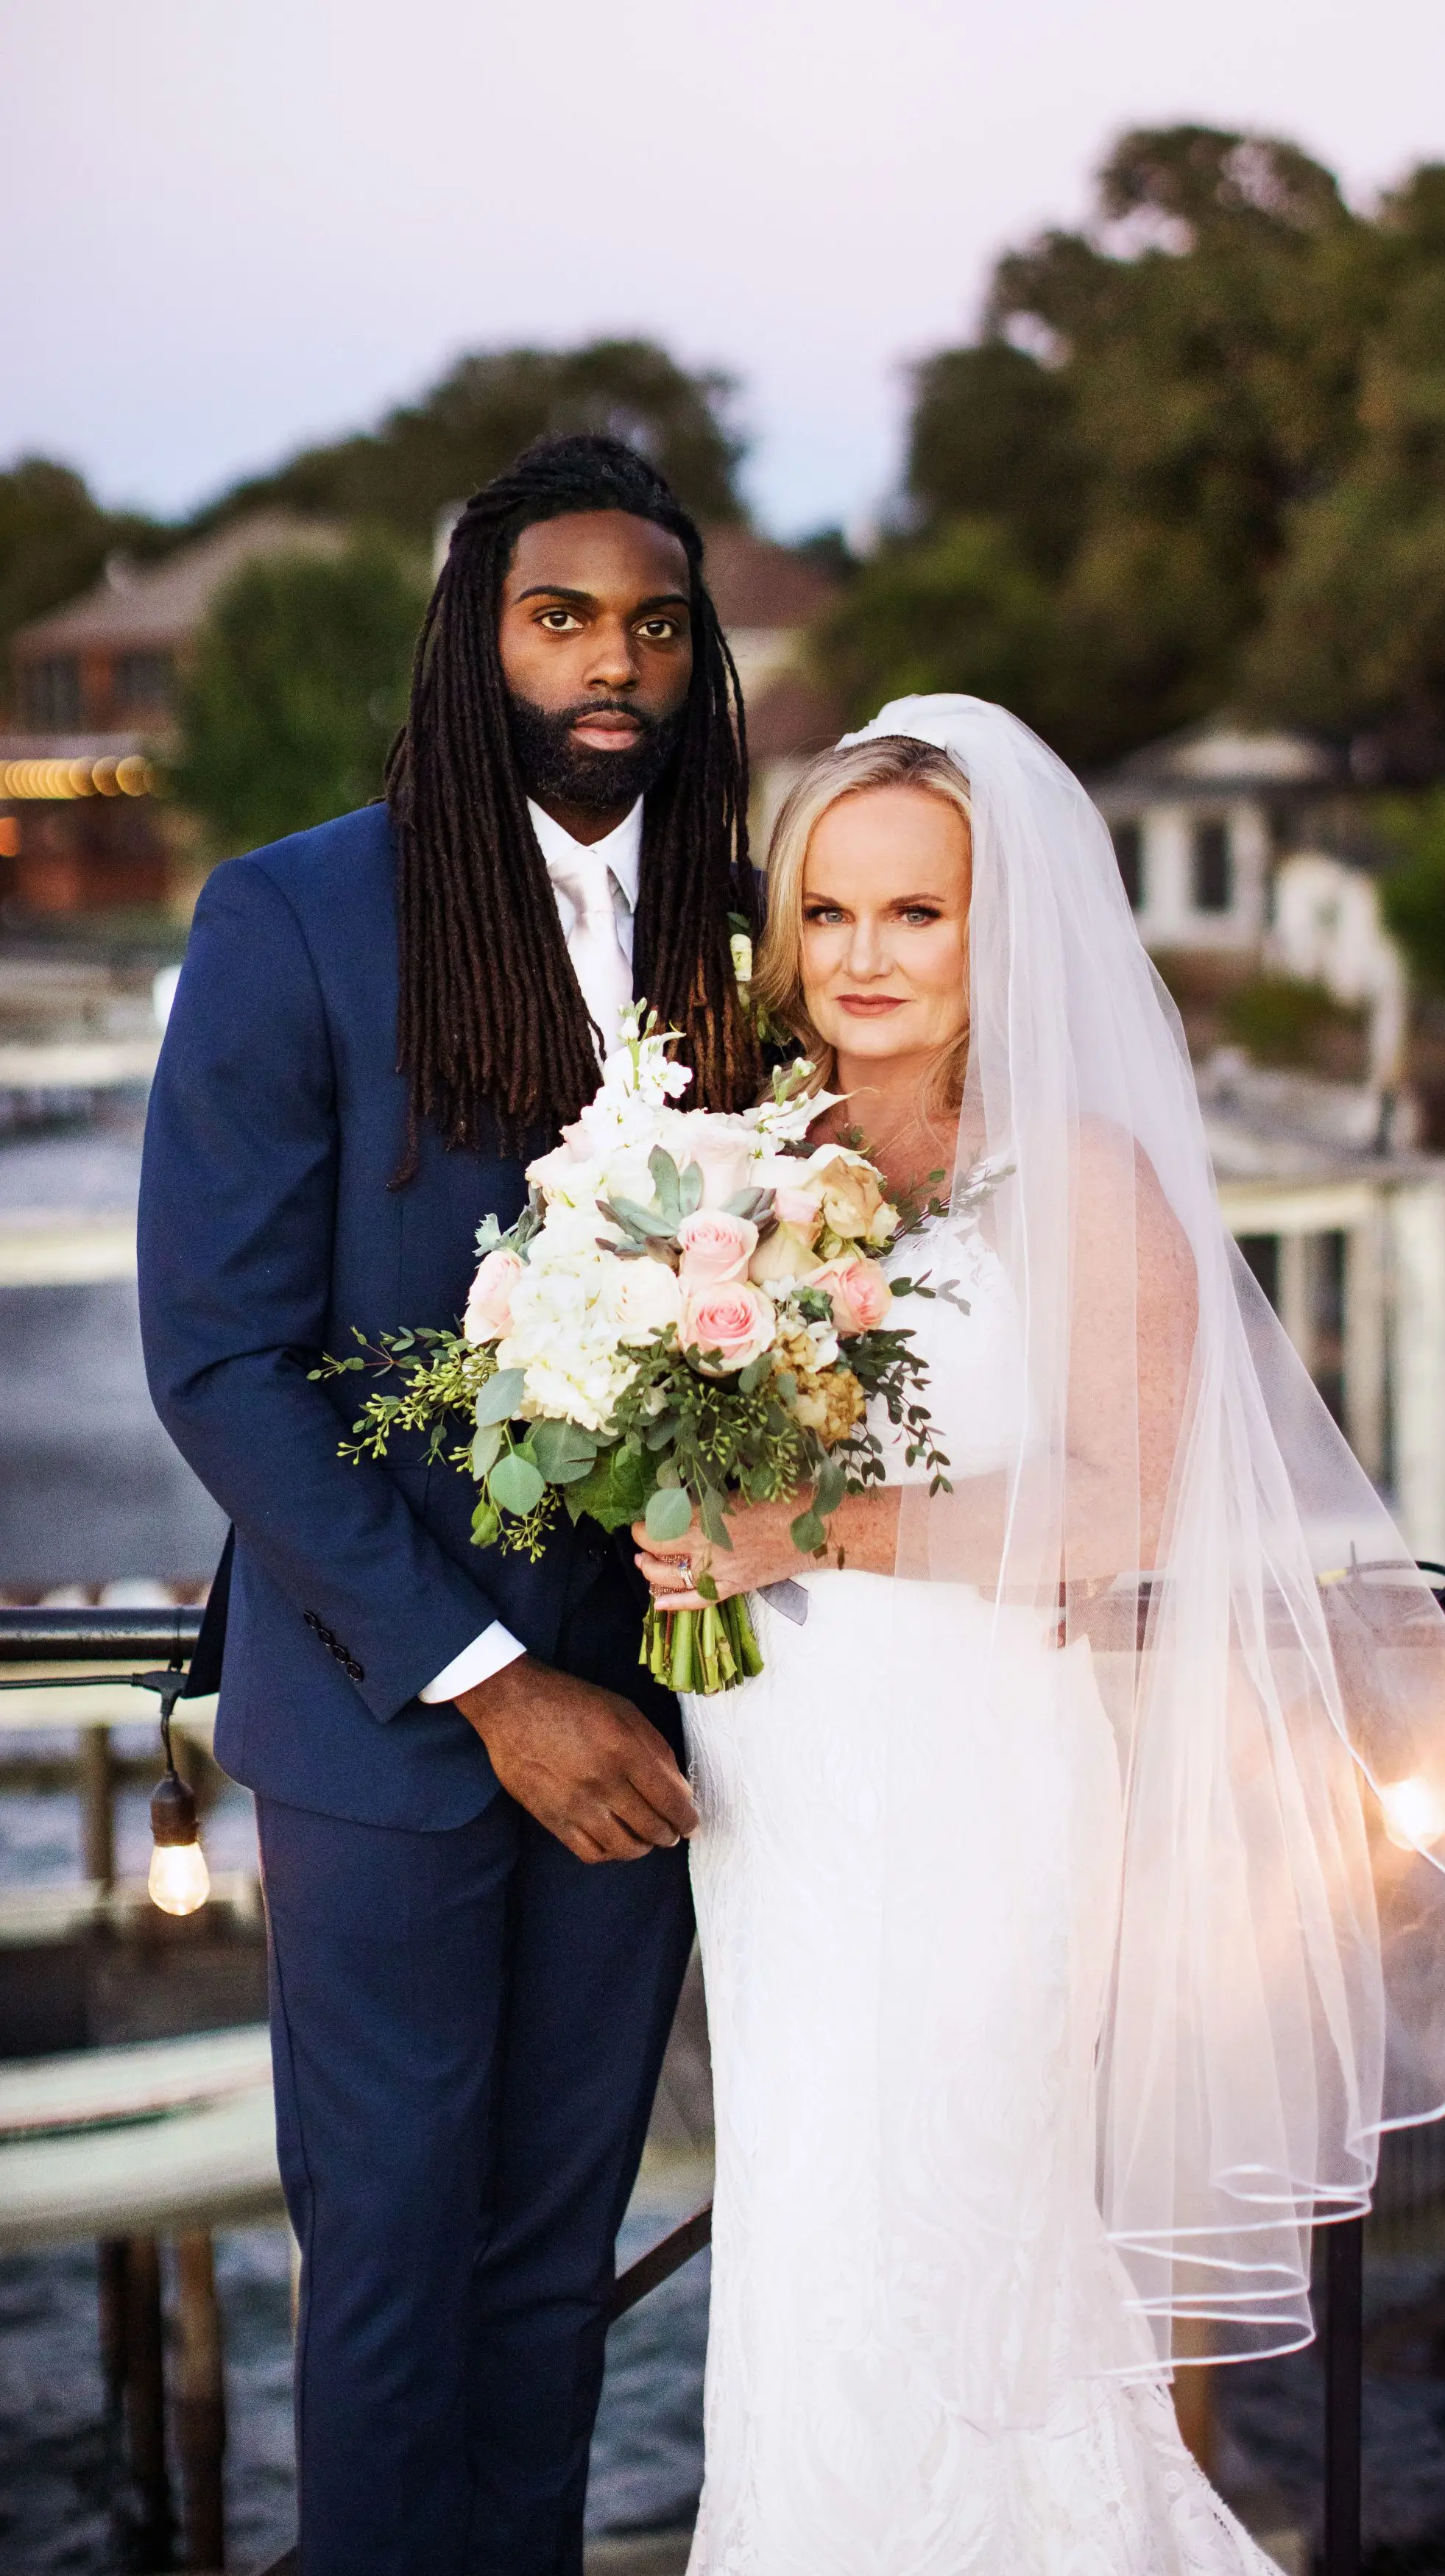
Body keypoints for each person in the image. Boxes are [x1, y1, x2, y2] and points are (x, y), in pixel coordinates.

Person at [633, 699, 1445, 2575]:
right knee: (804, 2248)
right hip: (781, 1790)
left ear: (1001, 931)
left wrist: (800, 1525)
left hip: (980, 1785)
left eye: (915, 915)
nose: (861, 958)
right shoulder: (748, 1159)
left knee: (955, 2234)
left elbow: (1114, 1507)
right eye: (826, 912)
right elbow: (713, 1443)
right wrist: (675, 1530)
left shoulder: (1074, 1172)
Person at [138, 433, 760, 2576]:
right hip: (398, 1719)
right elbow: (217, 1358)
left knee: (550, 2269)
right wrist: (493, 1686)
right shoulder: (297, 912)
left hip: (666, 1711)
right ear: (473, 637)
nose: (617, 662)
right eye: (563, 615)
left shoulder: (742, 927)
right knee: (394, 2271)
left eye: (656, 624)